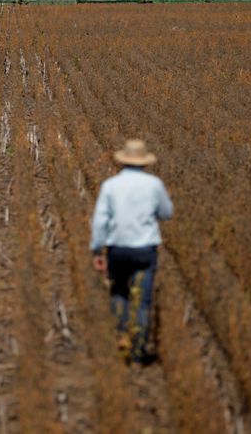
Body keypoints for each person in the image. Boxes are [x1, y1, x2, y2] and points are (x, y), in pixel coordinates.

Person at [90, 139, 173, 364]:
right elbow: (167, 212)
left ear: (123, 161)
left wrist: (97, 250)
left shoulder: (111, 185)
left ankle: (121, 335)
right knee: (143, 299)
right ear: (144, 161)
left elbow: (100, 221)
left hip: (117, 248)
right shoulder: (154, 184)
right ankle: (139, 347)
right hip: (145, 250)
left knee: (119, 292)